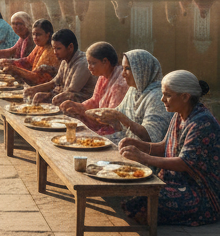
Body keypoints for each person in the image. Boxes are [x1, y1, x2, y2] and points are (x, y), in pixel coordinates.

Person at [120, 70, 220, 226]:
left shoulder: (202, 123)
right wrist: (138, 144)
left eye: (167, 95)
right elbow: (164, 146)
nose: (162, 99)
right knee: (133, 192)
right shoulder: (179, 114)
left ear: (185, 96)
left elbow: (184, 163)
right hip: (175, 183)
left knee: (142, 202)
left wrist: (143, 157)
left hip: (201, 193)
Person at [86, 49, 171, 144]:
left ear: (142, 70)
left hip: (146, 151)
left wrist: (119, 117)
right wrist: (97, 114)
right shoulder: (133, 90)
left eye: (128, 69)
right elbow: (119, 113)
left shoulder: (158, 96)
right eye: (123, 68)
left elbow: (151, 136)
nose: (123, 74)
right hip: (129, 142)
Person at [59, 42, 129, 139]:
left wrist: (82, 111)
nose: (89, 67)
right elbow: (95, 100)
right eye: (88, 63)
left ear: (105, 62)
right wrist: (77, 106)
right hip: (100, 121)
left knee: (78, 137)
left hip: (114, 128)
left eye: (93, 63)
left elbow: (110, 118)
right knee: (68, 121)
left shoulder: (120, 84)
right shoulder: (103, 76)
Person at [24, 29, 97, 105]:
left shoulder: (83, 63)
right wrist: (33, 89)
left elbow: (70, 92)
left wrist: (48, 96)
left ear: (70, 47)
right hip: (65, 98)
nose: (55, 52)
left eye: (58, 48)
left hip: (82, 104)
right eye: (54, 48)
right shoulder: (64, 60)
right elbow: (54, 82)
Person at [0, 19, 59, 85]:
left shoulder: (51, 51)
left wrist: (15, 69)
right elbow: (28, 61)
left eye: (38, 34)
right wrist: (10, 62)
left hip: (44, 87)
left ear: (47, 35)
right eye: (33, 34)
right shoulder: (39, 45)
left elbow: (38, 78)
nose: (35, 37)